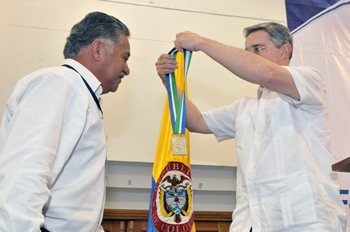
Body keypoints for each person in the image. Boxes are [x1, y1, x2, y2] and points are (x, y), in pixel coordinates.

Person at [156, 22, 347, 231]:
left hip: (306, 221)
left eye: (258, 49)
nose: (250, 56)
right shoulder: (245, 107)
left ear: (285, 50)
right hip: (251, 222)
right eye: (247, 52)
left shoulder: (309, 80)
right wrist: (170, 82)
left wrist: (202, 43)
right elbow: (196, 122)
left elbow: (267, 74)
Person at [0, 12, 130, 232]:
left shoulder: (79, 91)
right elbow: (25, 176)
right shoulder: (59, 84)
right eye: (124, 57)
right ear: (98, 49)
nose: (127, 69)